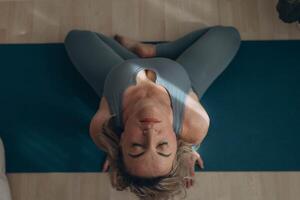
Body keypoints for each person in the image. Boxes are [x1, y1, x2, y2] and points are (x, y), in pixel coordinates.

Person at [64, 25, 241, 200]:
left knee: (76, 37)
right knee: (229, 34)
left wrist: (113, 154)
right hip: (179, 75)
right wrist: (191, 152)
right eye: (162, 145)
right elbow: (191, 144)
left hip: (119, 72)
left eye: (136, 146)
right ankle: (154, 51)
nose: (150, 133)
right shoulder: (195, 123)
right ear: (177, 143)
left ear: (122, 142)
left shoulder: (102, 127)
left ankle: (141, 55)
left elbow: (78, 37)